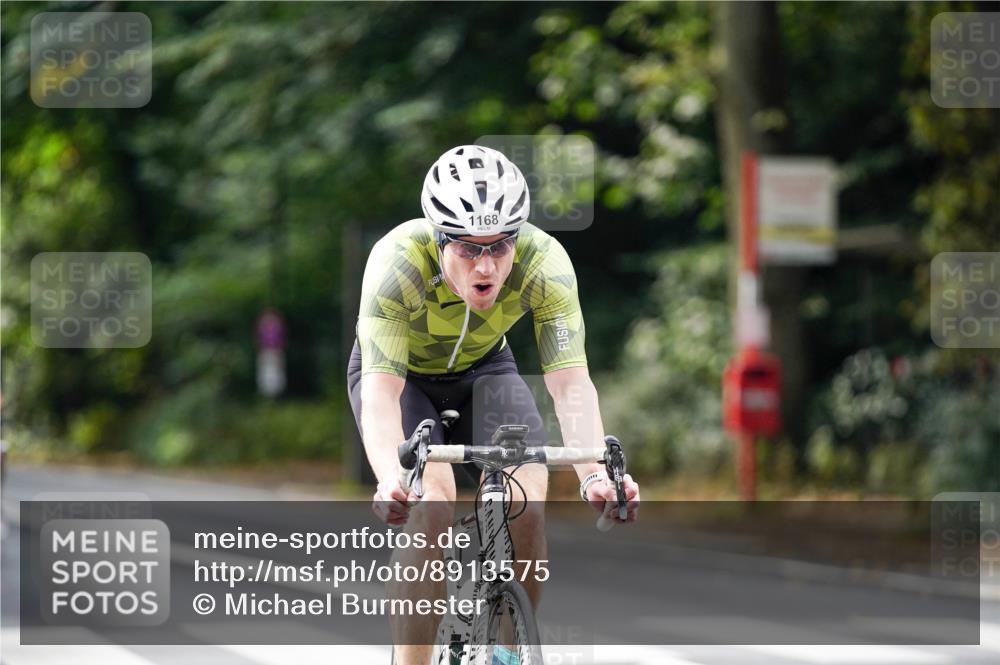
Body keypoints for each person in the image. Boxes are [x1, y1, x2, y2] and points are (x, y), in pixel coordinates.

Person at [347, 145, 640, 665]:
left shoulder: (544, 263)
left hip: (487, 370)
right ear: (439, 240)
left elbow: (570, 382)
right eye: (467, 249)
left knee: (527, 501)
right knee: (431, 507)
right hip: (405, 379)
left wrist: (594, 471)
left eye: (500, 246)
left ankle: (507, 652)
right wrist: (390, 474)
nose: (486, 265)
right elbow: (381, 394)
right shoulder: (397, 265)